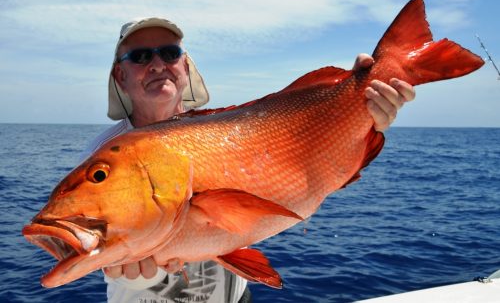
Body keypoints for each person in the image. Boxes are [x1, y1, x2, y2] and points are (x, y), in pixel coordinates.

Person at [81, 17, 416, 303]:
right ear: (120, 77)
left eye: (169, 53)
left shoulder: (225, 131)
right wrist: (131, 273)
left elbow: (309, 170)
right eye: (139, 56)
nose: (157, 64)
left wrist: (361, 110)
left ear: (184, 67)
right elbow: (96, 244)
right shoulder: (103, 157)